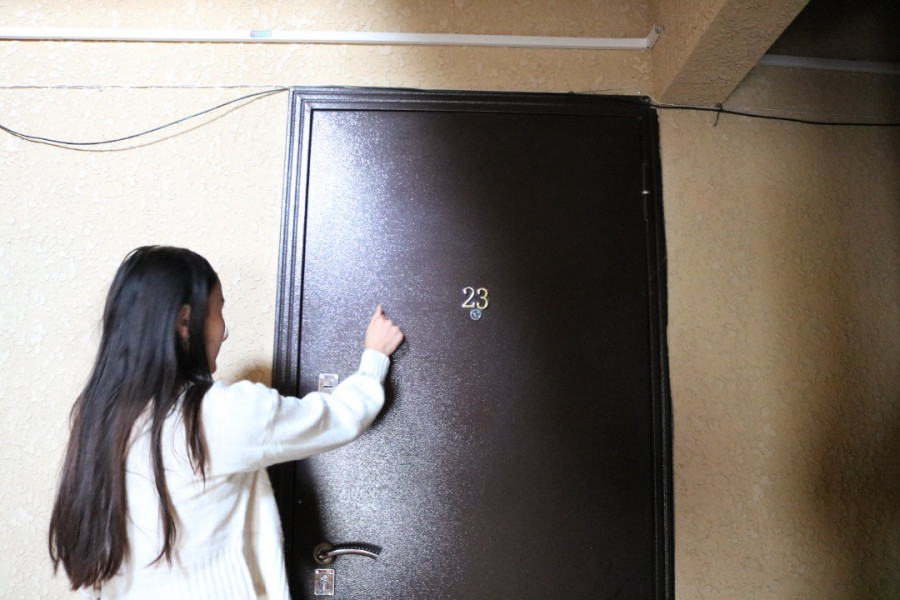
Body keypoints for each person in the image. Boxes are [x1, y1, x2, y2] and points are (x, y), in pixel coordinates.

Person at [48, 245, 404, 599]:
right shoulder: (217, 412)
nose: (225, 330)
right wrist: (374, 358)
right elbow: (339, 418)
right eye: (218, 310)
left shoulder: (98, 420)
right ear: (185, 321)